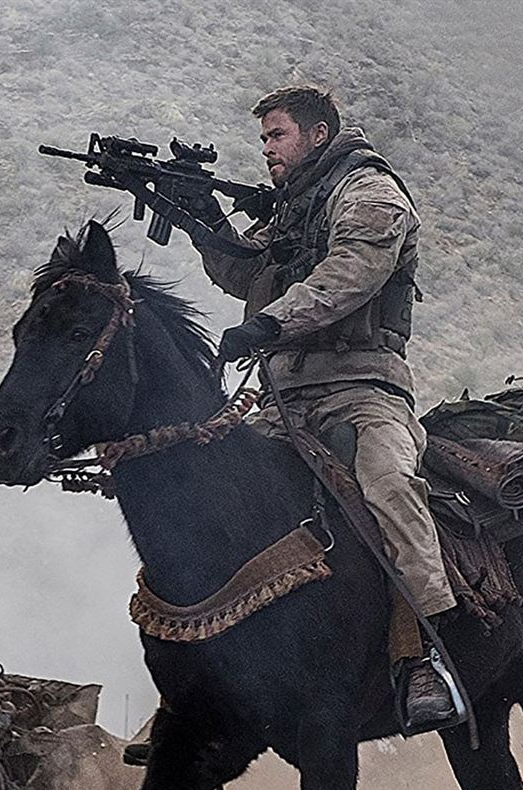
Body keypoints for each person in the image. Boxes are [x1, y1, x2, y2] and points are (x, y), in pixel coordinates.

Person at [189, 84, 459, 734]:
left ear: (317, 134)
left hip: (362, 389)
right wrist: (205, 222)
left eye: (276, 135)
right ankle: (199, 673)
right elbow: (246, 274)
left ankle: (425, 656)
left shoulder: (369, 193)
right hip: (285, 395)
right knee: (219, 492)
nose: (267, 149)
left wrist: (267, 325)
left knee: (389, 485)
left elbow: (350, 274)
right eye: (263, 138)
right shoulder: (295, 207)